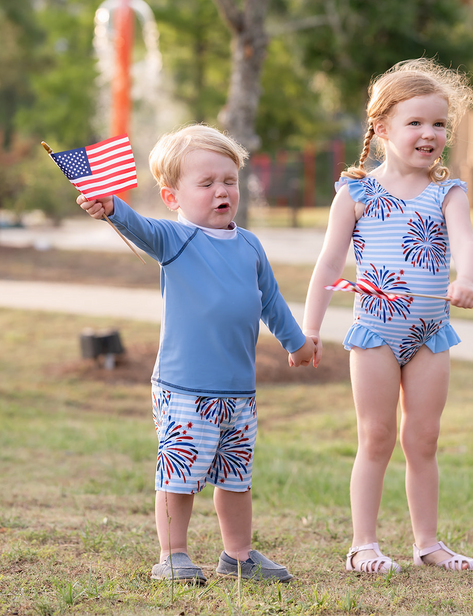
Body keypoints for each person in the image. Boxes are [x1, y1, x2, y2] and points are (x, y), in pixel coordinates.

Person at [78, 124, 315, 584]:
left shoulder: (249, 245)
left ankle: (238, 555)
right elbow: (137, 226)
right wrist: (111, 207)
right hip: (184, 389)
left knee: (235, 478)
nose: (221, 191)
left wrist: (298, 343)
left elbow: (270, 300)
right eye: (205, 184)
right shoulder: (174, 239)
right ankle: (173, 554)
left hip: (238, 393)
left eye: (228, 180)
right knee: (179, 476)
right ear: (173, 197)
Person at [300, 58, 473, 573]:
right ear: (381, 128)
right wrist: (309, 329)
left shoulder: (449, 192)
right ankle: (364, 545)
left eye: (439, 124)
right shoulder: (356, 192)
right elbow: (328, 265)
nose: (430, 134)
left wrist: (465, 280)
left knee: (423, 437)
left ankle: (428, 543)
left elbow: (466, 245)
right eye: (416, 123)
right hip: (375, 332)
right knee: (376, 436)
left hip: (430, 333)